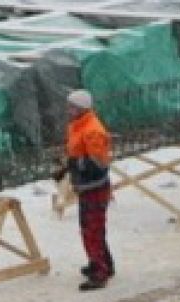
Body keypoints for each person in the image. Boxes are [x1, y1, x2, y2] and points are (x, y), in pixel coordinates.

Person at [54, 89, 114, 291]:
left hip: (94, 187)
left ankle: (100, 272)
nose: (68, 109)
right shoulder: (78, 125)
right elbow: (77, 153)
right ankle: (104, 263)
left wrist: (73, 165)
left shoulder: (92, 130)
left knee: (91, 230)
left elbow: (98, 164)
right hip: (86, 186)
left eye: (72, 106)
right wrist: (67, 167)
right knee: (94, 228)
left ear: (81, 109)